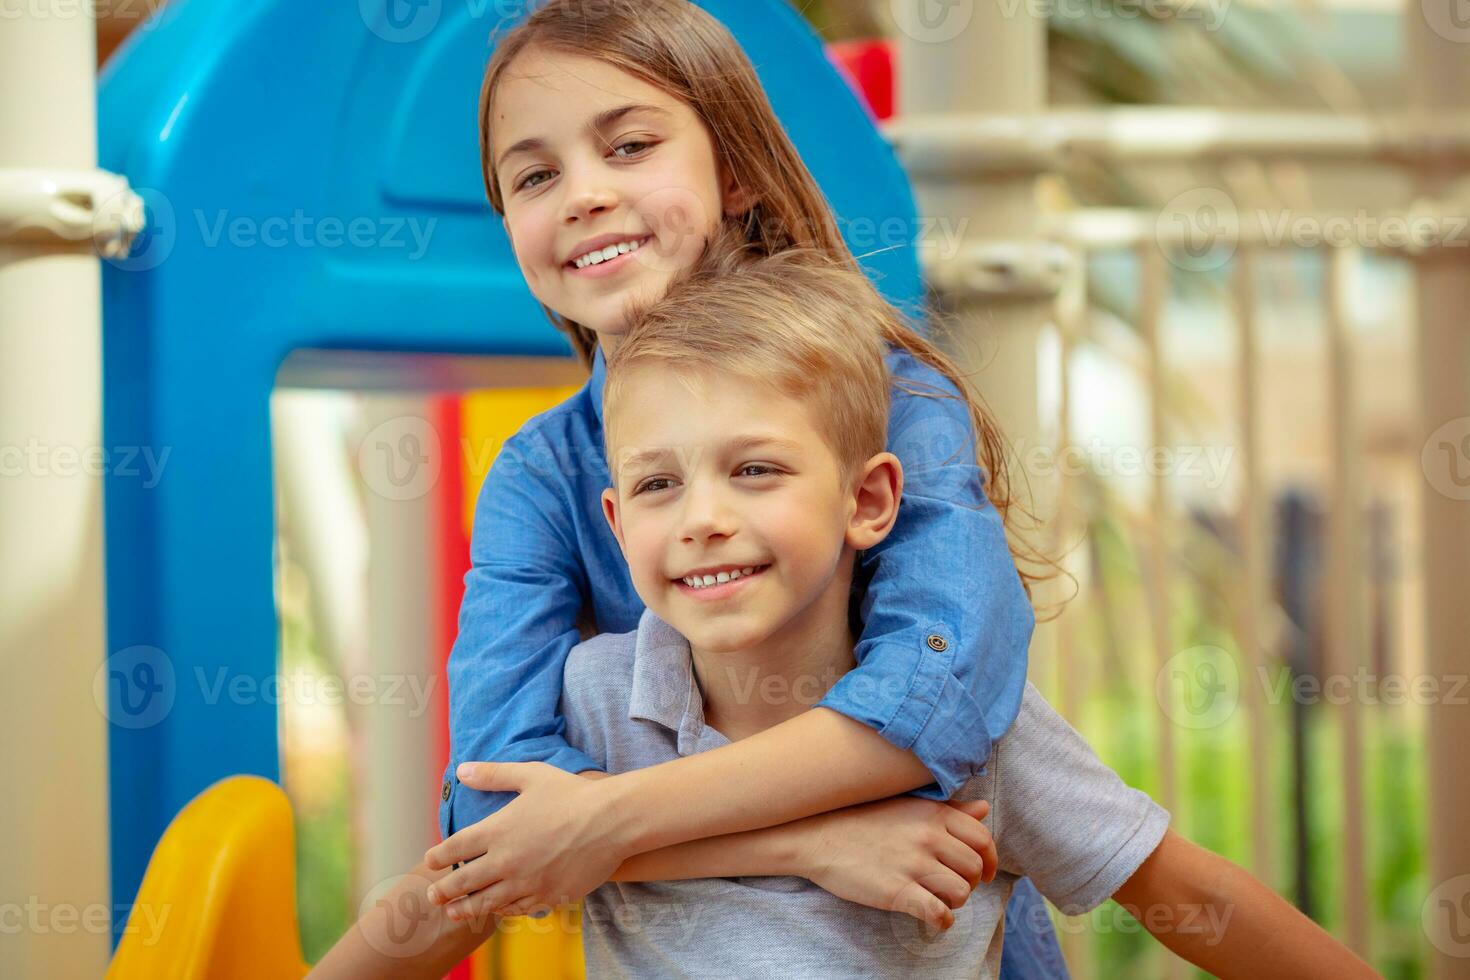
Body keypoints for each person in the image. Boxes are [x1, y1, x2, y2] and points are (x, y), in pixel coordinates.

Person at [425, 0, 1066, 972]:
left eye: (629, 145)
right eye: (535, 174)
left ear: (733, 172)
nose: (583, 195)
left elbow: (938, 688)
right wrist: (802, 841)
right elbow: (494, 805)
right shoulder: (539, 476)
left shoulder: (898, 401)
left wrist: (606, 816)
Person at [542, 238, 1376, 978]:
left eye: (755, 470)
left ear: (867, 500)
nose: (704, 520)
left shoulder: (977, 729)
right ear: (618, 522)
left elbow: (1189, 895)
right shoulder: (594, 701)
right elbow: (479, 872)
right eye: (659, 484)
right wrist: (805, 846)